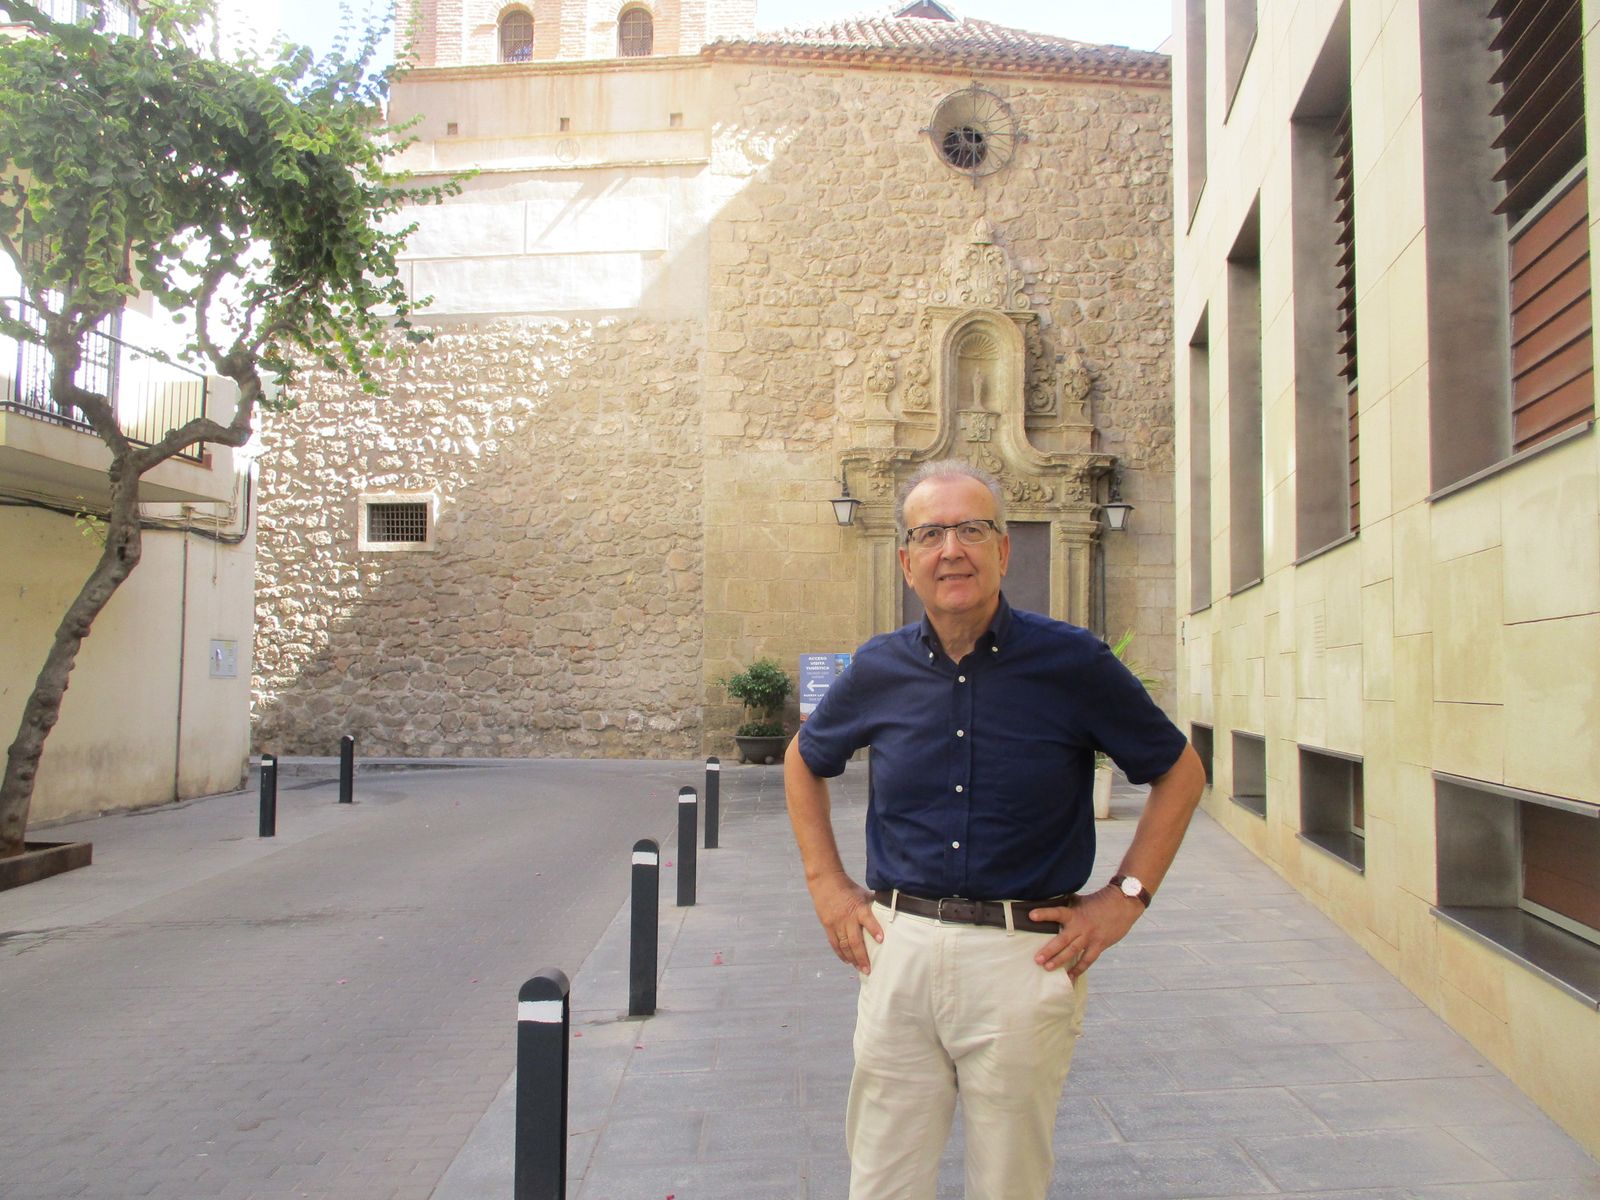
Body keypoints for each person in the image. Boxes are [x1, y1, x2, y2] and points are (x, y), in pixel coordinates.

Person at [784, 459, 1206, 1200]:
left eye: (973, 529)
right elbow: (803, 758)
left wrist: (1126, 896)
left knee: (1009, 1185)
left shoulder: (1072, 662)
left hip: (1024, 962)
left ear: (1003, 550)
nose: (954, 549)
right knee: (882, 1183)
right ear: (907, 559)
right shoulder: (879, 668)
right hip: (899, 952)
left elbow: (1180, 770)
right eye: (933, 533)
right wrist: (826, 883)